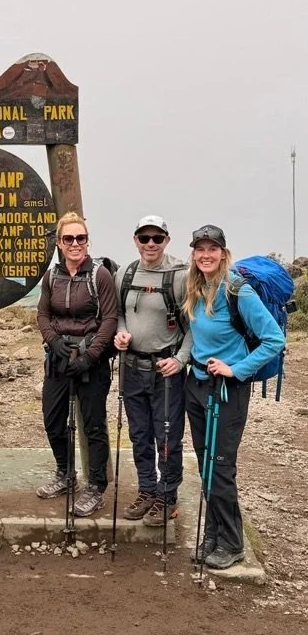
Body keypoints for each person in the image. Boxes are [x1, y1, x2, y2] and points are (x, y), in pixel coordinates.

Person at [183, 225, 285, 569]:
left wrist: (236, 369)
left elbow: (274, 339)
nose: (206, 254)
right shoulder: (196, 288)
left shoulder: (238, 291)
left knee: (221, 467)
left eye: (213, 249)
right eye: (200, 248)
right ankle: (213, 535)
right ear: (194, 253)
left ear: (224, 253)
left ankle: (232, 542)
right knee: (206, 466)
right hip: (197, 385)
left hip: (228, 390)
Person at [36, 211, 117, 515]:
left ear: (87, 240)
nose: (75, 243)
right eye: (68, 238)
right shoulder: (52, 276)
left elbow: (109, 318)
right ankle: (65, 472)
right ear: (59, 242)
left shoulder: (100, 276)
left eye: (80, 238)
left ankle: (95, 486)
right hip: (58, 358)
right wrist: (54, 342)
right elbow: (43, 314)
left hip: (90, 361)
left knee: (93, 424)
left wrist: (91, 356)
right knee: (53, 419)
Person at [113, 216, 190, 526]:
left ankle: (167, 496)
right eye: (144, 238)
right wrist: (120, 334)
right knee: (139, 434)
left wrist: (181, 360)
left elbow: (194, 325)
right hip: (131, 367)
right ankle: (147, 490)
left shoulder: (180, 275)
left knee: (168, 436)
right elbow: (119, 314)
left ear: (167, 240)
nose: (150, 244)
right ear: (135, 240)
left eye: (157, 238)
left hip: (166, 371)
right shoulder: (125, 274)